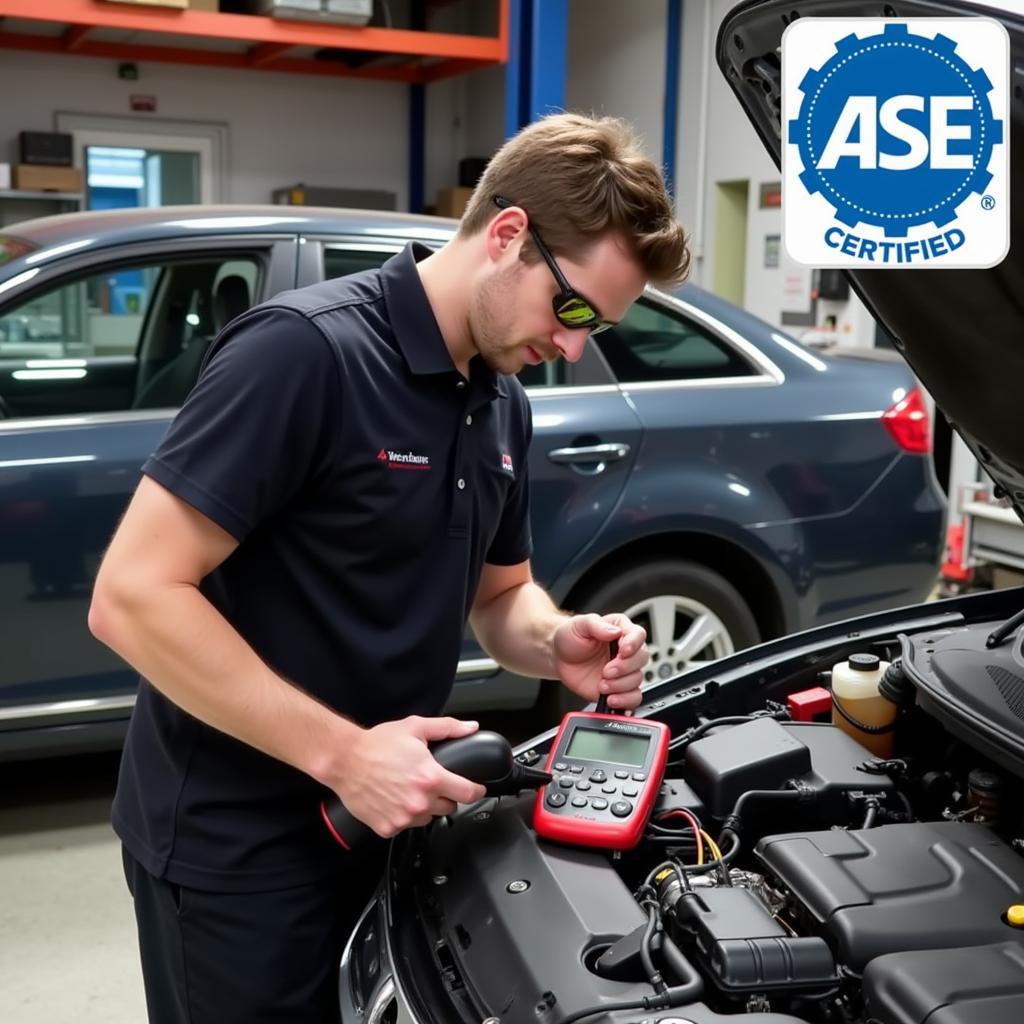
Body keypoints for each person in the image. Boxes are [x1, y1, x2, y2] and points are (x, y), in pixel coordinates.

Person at [88, 112, 691, 1024]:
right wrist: (344, 756)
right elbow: (132, 597)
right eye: (572, 311)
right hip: (235, 854)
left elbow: (500, 595)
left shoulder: (499, 401)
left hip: (387, 826)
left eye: (596, 330)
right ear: (507, 234)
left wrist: (556, 639)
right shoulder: (304, 353)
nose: (572, 347)